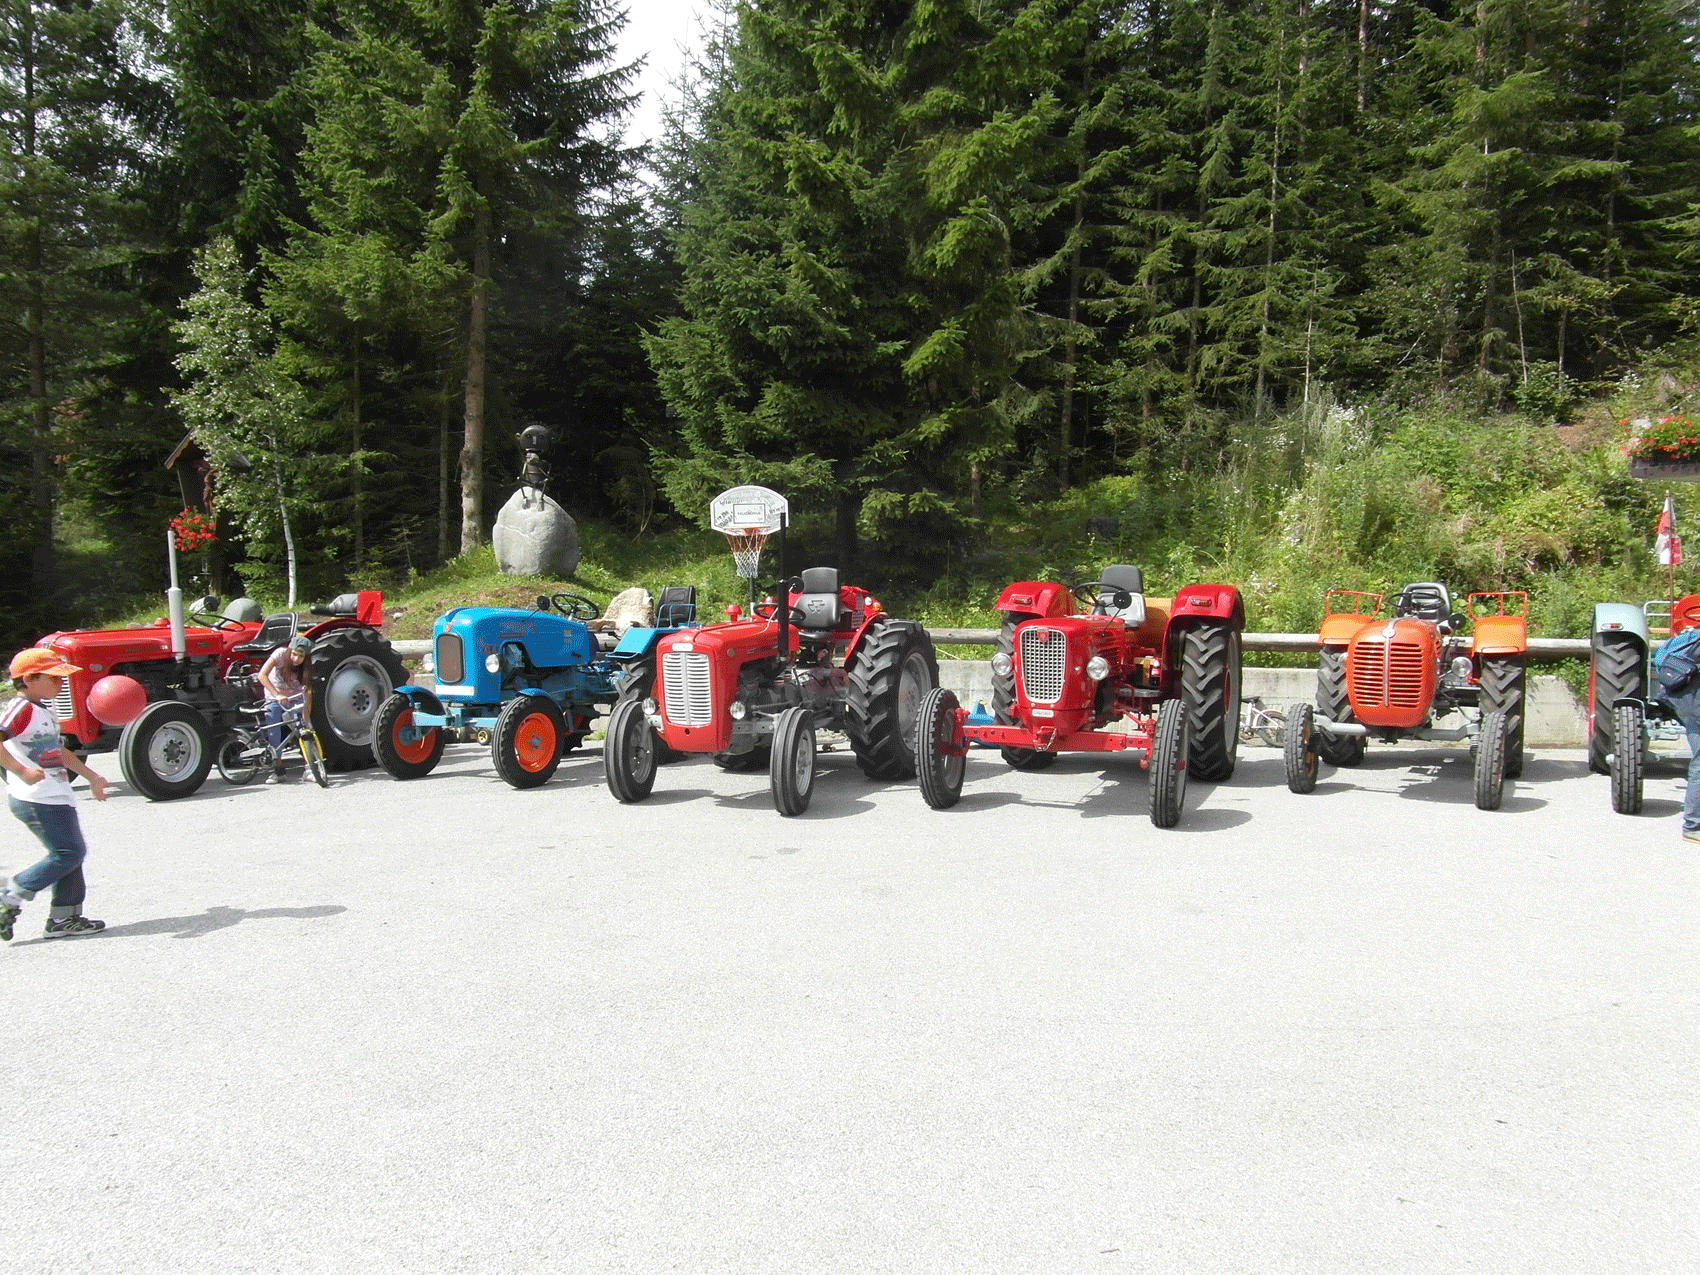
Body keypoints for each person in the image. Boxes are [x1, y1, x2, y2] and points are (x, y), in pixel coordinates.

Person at [0, 648, 112, 941]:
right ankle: (10, 895)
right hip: (35, 797)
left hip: (55, 796)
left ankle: (64, 918)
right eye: (54, 678)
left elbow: (58, 751)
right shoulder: (21, 709)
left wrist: (92, 777)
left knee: (71, 853)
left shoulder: (41, 711)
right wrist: (21, 771)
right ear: (29, 679)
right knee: (69, 853)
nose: (61, 683)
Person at [257, 634, 315, 783]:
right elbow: (262, 675)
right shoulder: (280, 654)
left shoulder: (307, 666)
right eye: (294, 654)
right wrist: (276, 695)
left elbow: (308, 691)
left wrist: (306, 716)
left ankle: (310, 769)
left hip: (295, 697)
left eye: (301, 656)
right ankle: (278, 770)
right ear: (289, 650)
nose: (296, 659)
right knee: (274, 730)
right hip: (274, 697)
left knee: (303, 729)